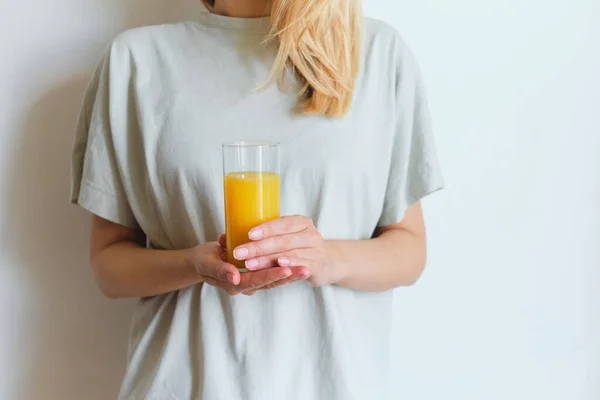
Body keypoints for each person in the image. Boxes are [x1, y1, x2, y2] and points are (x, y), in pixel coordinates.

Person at [70, 0, 444, 398]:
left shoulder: (376, 53)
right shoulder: (136, 60)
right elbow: (108, 265)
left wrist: (325, 258)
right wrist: (192, 263)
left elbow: (408, 249)